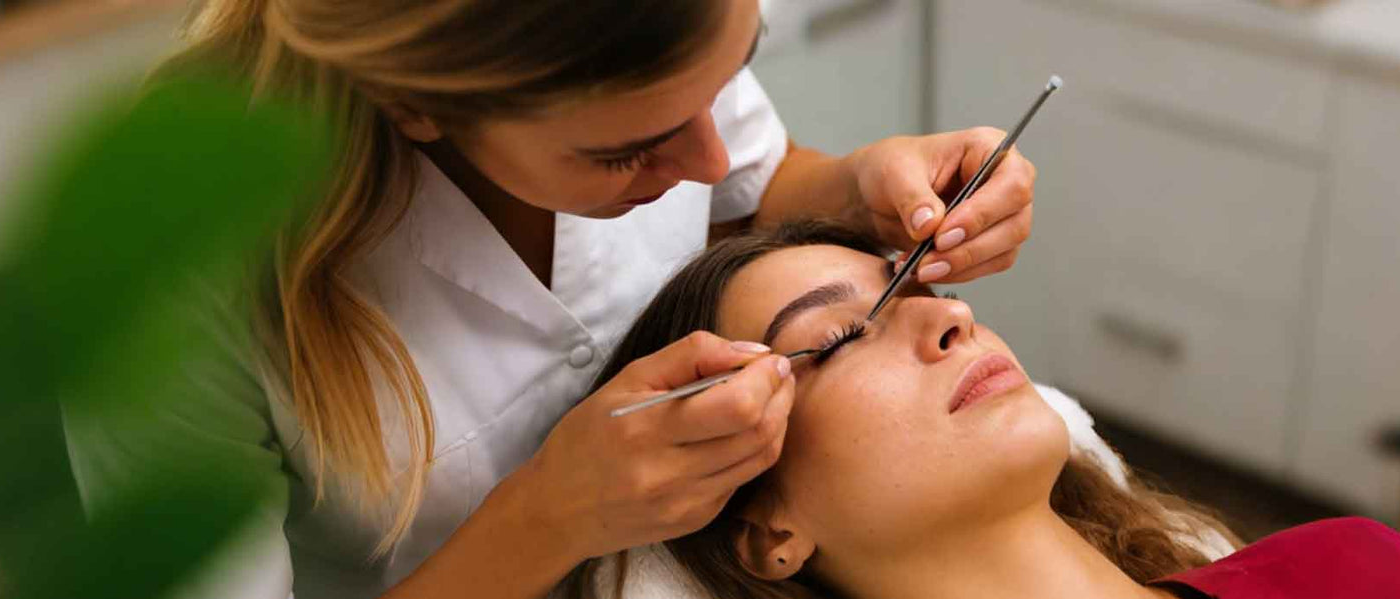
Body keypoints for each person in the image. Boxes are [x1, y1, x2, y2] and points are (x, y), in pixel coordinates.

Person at [61, 1, 1039, 598]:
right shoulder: (165, 282)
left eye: (729, 77)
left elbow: (750, 180)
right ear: (415, 104)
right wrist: (551, 515)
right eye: (626, 153)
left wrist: (854, 186)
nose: (705, 157)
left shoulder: (654, 50)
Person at [579, 221, 1400, 599]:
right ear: (768, 531)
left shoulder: (1354, 570)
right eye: (836, 338)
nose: (951, 317)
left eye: (923, 289)